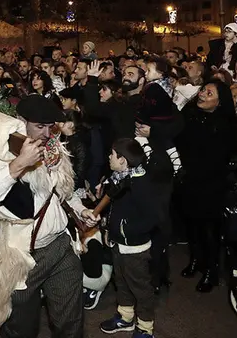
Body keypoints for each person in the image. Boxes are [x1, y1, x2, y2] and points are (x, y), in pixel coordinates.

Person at [0, 96, 99, 338]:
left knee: (71, 323)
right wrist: (19, 164)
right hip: (24, 260)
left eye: (51, 127)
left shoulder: (52, 148)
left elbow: (63, 190)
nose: (47, 133)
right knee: (20, 329)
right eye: (40, 126)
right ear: (20, 121)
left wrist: (81, 210)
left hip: (60, 247)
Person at [99, 138, 160, 338]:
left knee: (141, 289)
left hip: (135, 248)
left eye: (112, 154)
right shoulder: (120, 178)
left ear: (123, 160)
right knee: (122, 282)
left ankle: (145, 327)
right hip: (119, 243)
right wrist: (110, 227)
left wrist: (126, 230)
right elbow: (117, 208)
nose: (109, 157)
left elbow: (152, 217)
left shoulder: (141, 184)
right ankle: (125, 317)